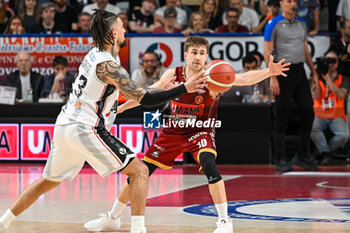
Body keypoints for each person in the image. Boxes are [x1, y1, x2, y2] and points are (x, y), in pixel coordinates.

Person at [0, 10, 207, 233]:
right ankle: (138, 230)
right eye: (122, 26)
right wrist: (183, 88)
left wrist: (159, 88)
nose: (125, 30)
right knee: (139, 172)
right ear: (114, 33)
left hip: (65, 124)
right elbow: (144, 99)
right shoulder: (109, 66)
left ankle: (4, 221)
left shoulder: (95, 55)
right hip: (84, 127)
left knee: (47, 181)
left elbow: (121, 100)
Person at [84, 36, 290, 233]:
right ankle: (113, 217)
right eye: (194, 52)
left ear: (206, 56)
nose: (198, 57)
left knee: (209, 164)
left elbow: (244, 79)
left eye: (202, 53)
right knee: (140, 173)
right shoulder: (173, 74)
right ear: (186, 55)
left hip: (201, 130)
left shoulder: (213, 76)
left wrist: (268, 72)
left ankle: (225, 220)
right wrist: (121, 108)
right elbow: (149, 92)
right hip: (172, 132)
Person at [264, 0, 318, 172]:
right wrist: (273, 77)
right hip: (282, 70)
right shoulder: (274, 24)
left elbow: (305, 50)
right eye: (289, 1)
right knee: (282, 114)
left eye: (294, 1)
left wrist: (314, 72)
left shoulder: (302, 24)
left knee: (308, 111)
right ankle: (279, 158)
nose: (292, 3)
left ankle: (302, 155)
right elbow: (267, 53)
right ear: (281, 3)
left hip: (300, 70)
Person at [311, 50, 349, 165]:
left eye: (334, 61)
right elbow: (315, 95)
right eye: (328, 61)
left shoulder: (343, 79)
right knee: (313, 129)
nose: (331, 64)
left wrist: (328, 79)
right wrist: (316, 75)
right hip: (319, 113)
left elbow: (340, 94)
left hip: (337, 114)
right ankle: (325, 153)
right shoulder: (317, 77)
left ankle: (321, 151)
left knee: (344, 135)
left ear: (337, 63)